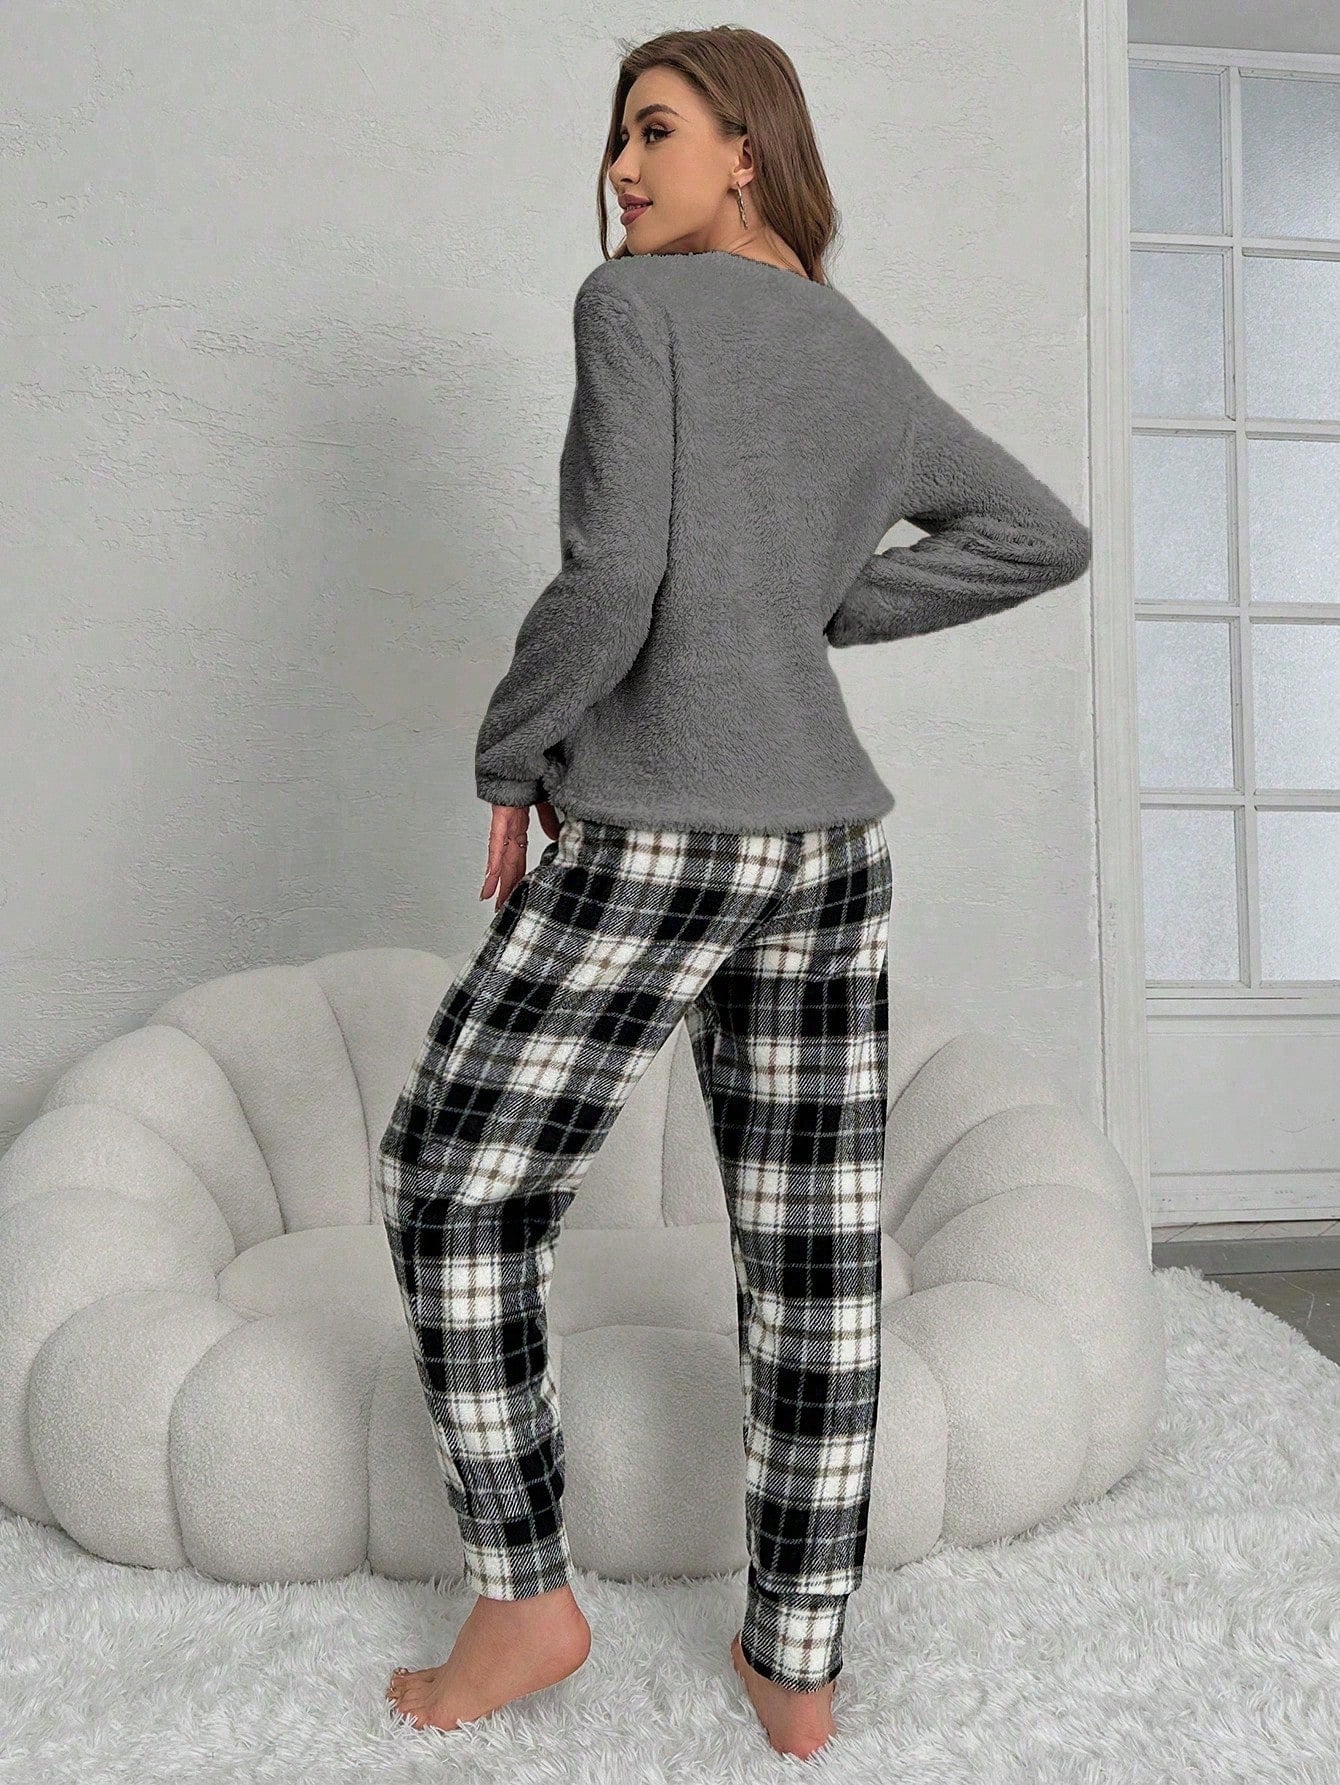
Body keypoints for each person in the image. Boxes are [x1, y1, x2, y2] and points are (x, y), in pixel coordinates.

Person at [378, 23, 1092, 1761]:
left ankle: (524, 1595)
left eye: (655, 131)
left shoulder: (632, 309)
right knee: (813, 1258)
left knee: (451, 1181)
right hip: (830, 842)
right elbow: (1040, 534)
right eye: (619, 139)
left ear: (745, 151)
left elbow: (614, 573)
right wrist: (813, 606)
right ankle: (799, 1659)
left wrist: (511, 753)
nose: (622, 169)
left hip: (668, 824)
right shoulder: (857, 351)